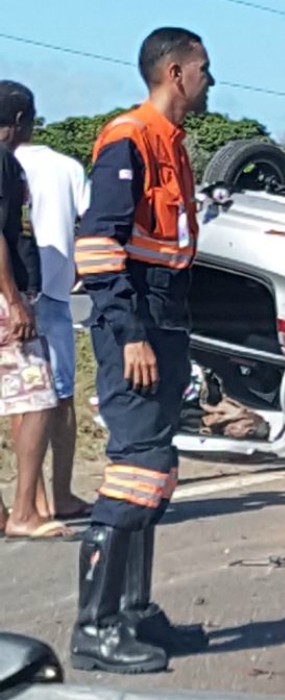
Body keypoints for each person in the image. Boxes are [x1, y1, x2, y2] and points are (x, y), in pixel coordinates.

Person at [69, 27, 214, 674]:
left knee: (157, 471)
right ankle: (95, 627)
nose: (212, 81)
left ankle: (134, 612)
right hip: (136, 324)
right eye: (205, 69)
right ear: (176, 73)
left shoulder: (172, 146)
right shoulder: (129, 138)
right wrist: (128, 334)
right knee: (135, 470)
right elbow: (99, 247)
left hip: (167, 317)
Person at [0, 80, 68, 541]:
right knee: (40, 398)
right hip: (5, 296)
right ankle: (24, 511)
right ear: (21, 120)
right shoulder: (3, 161)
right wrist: (14, 299)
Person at [15, 119, 92, 522]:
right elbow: (90, 223)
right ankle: (57, 495)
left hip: (13, 292)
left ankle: (32, 501)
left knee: (22, 397)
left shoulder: (9, 163)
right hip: (53, 292)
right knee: (59, 397)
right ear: (26, 121)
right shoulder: (67, 167)